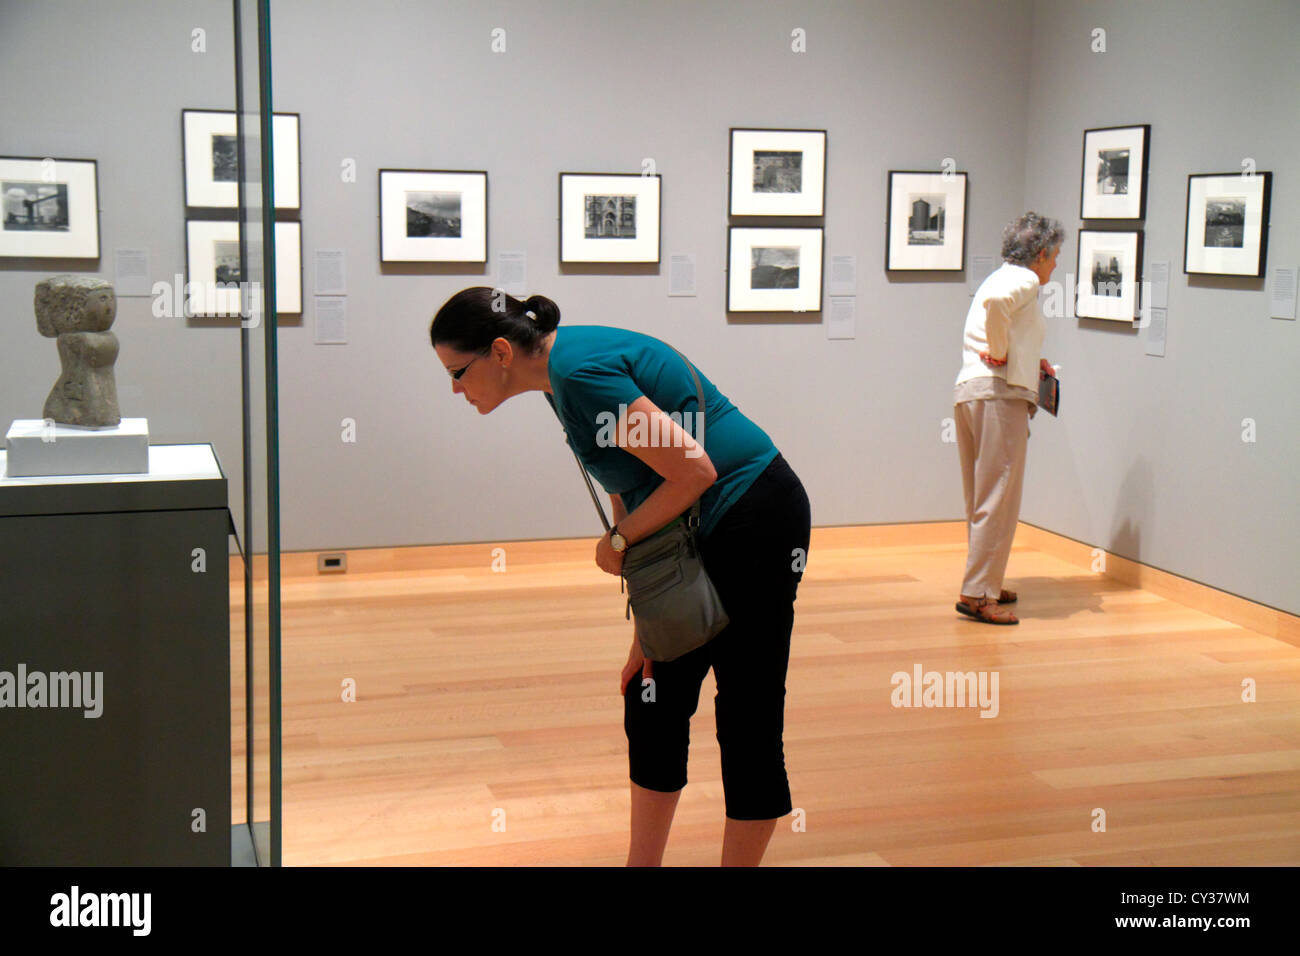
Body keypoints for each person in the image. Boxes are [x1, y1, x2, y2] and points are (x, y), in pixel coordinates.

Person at [429, 288, 811, 866]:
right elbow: (628, 483)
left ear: (501, 352)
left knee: (746, 714)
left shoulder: (580, 373)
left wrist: (618, 543)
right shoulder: (558, 380)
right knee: (652, 696)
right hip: (696, 525)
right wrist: (646, 628)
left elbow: (693, 471)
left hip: (752, 516)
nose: (456, 389)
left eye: (458, 372)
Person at [953, 212, 1063, 625]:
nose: (1055, 266)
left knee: (982, 498)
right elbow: (999, 313)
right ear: (1040, 254)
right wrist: (1000, 352)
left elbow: (998, 315)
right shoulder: (1026, 280)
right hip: (998, 397)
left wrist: (1030, 359)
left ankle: (986, 582)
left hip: (971, 394)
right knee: (999, 496)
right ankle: (978, 593)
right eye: (1054, 257)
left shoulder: (997, 277)